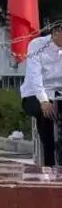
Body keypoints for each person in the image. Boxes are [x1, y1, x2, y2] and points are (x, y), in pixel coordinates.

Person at [21, 23, 62, 168]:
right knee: (47, 114)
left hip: (58, 93)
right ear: (57, 32)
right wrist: (44, 100)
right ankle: (49, 163)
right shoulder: (37, 45)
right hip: (35, 94)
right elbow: (35, 76)